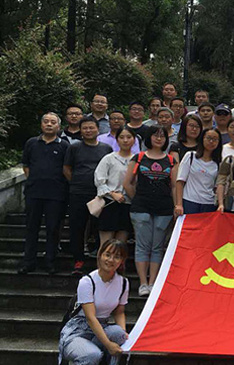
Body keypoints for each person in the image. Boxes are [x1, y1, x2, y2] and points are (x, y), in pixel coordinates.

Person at [123, 125, 177, 297]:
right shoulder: (139, 157)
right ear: (149, 137)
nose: (159, 139)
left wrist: (177, 205)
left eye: (162, 136)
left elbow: (175, 186)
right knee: (142, 245)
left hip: (164, 208)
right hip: (141, 207)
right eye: (155, 135)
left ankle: (153, 282)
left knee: (157, 246)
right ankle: (143, 283)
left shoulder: (171, 160)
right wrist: (137, 199)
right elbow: (127, 183)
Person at [58, 239, 129, 365]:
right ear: (100, 255)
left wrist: (124, 335)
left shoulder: (123, 283)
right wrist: (108, 344)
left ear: (122, 261)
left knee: (119, 334)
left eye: (117, 257)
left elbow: (119, 312)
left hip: (102, 327)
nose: (111, 260)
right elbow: (91, 318)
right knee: (92, 354)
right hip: (78, 331)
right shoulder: (87, 282)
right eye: (107, 255)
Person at [19, 112, 70, 275]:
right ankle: (28, 262)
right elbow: (26, 165)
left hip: (56, 193)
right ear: (41, 125)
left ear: (58, 126)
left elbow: (67, 168)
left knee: (53, 228)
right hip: (34, 192)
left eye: (53, 122)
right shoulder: (32, 143)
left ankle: (50, 262)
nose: (49, 124)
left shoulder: (64, 145)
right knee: (31, 228)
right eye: (46, 121)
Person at [64, 117, 113, 275]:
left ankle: (99, 258)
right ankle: (78, 259)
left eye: (91, 127)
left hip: (99, 194)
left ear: (98, 129)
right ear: (80, 130)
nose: (88, 130)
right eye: (85, 128)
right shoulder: (74, 147)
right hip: (78, 193)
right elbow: (67, 168)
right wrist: (76, 183)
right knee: (77, 227)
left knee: (100, 227)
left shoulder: (106, 148)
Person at [94, 126, 137, 250]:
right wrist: (112, 194)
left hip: (128, 204)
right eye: (121, 137)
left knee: (121, 245)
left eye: (128, 137)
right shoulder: (109, 158)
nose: (125, 140)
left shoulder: (137, 160)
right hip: (110, 203)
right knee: (106, 244)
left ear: (134, 140)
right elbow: (99, 180)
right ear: (117, 140)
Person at [175, 129, 222, 215]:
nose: (211, 141)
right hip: (189, 202)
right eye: (208, 138)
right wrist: (179, 204)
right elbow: (180, 181)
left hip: (209, 204)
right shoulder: (190, 156)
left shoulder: (218, 163)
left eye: (215, 139)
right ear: (202, 139)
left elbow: (217, 186)